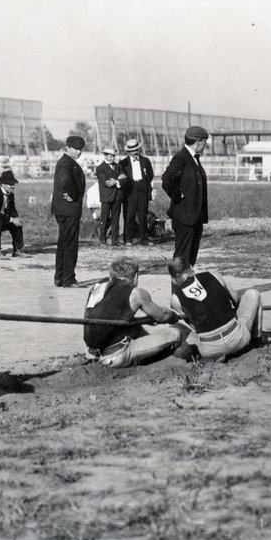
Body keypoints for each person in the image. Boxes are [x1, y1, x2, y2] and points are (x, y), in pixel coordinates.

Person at [83, 257, 187, 368]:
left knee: (135, 327)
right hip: (114, 356)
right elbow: (162, 316)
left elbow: (109, 319)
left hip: (91, 352)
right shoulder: (136, 293)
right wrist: (173, 316)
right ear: (136, 276)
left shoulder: (98, 286)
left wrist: (141, 320)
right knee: (175, 333)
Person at [166, 257, 261, 361]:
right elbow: (236, 300)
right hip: (238, 340)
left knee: (176, 326)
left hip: (210, 350)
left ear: (173, 280)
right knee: (253, 293)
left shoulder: (175, 299)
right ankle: (257, 340)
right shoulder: (213, 275)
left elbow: (194, 326)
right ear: (191, 268)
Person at [161, 124, 210, 265]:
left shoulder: (194, 158)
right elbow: (167, 180)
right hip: (184, 218)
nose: (205, 144)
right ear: (197, 141)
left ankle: (186, 286)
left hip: (195, 218)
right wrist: (179, 197)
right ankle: (177, 287)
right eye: (204, 141)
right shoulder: (181, 157)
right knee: (181, 260)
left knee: (190, 260)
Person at [51, 135, 87, 288]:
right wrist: (72, 195)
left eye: (80, 150)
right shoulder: (66, 163)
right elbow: (66, 180)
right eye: (75, 149)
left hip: (63, 209)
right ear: (67, 148)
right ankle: (69, 279)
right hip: (69, 210)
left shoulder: (66, 162)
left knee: (63, 244)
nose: (78, 152)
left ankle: (60, 277)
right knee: (70, 245)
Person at [120, 138, 154, 244]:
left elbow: (150, 174)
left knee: (143, 215)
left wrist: (147, 187)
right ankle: (128, 238)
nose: (134, 152)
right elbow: (122, 177)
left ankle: (144, 238)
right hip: (130, 190)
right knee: (129, 215)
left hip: (142, 189)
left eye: (136, 150)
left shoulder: (145, 161)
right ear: (128, 151)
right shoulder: (123, 162)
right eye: (131, 151)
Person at [95, 147, 126, 246]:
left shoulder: (118, 166)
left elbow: (125, 178)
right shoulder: (100, 168)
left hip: (117, 196)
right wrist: (118, 180)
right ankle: (102, 240)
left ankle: (115, 240)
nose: (112, 158)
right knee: (104, 219)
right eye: (110, 156)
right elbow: (106, 182)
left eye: (113, 156)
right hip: (106, 196)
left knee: (116, 219)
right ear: (105, 155)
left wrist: (116, 181)